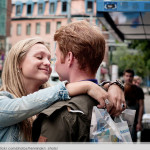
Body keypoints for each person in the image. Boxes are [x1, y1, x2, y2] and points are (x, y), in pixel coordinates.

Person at [0, 37, 116, 142]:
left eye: (49, 59)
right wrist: (86, 86)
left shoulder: (52, 100)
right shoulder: (3, 101)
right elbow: (22, 105)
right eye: (39, 57)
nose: (47, 63)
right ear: (18, 63)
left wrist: (114, 86)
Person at [32, 21, 126, 142]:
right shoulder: (114, 100)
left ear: (69, 58)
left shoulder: (62, 115)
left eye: (56, 57)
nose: (53, 64)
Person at [123, 69, 144, 142]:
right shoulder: (119, 88)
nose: (128, 78)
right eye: (127, 76)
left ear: (132, 77)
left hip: (133, 121)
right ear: (124, 76)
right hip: (121, 120)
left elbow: (141, 106)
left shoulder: (138, 90)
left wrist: (139, 122)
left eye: (130, 76)